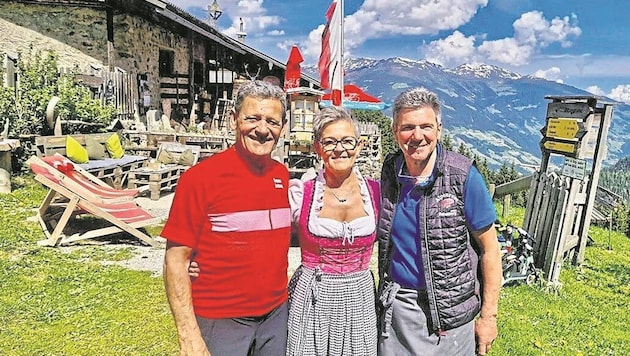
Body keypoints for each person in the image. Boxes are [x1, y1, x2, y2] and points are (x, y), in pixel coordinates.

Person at [162, 79, 291, 356]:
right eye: (252, 118)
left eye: (272, 121)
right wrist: (188, 337)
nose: (262, 129)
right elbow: (175, 259)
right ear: (234, 120)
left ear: (282, 127)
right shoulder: (200, 179)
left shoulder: (281, 176)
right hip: (220, 319)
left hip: (275, 317)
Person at [376, 87, 502, 356]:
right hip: (400, 310)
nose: (417, 136)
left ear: (439, 130)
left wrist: (489, 317)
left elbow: (490, 250)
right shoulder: (390, 173)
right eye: (408, 127)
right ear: (395, 131)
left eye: (426, 126)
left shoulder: (462, 176)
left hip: (451, 312)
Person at [286, 106, 380, 355]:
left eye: (348, 141)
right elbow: (268, 236)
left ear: (359, 145)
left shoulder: (377, 193)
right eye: (329, 142)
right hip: (312, 296)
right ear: (318, 148)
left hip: (359, 300)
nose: (339, 149)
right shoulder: (301, 193)